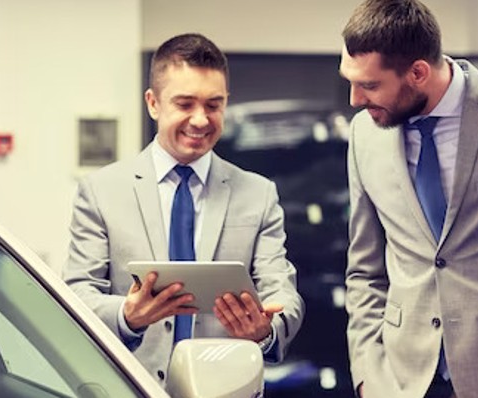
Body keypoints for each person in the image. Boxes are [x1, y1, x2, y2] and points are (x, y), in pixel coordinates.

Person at [62, 33, 304, 383]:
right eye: (185, 104)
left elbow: (283, 293)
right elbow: (78, 295)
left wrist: (266, 329)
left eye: (213, 104)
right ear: (153, 103)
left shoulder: (258, 194)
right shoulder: (100, 192)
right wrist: (128, 315)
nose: (201, 120)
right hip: (128, 387)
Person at [339, 1, 478, 396]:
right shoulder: (364, 135)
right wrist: (367, 375)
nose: (355, 100)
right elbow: (363, 270)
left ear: (417, 72)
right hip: (402, 380)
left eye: (369, 85)